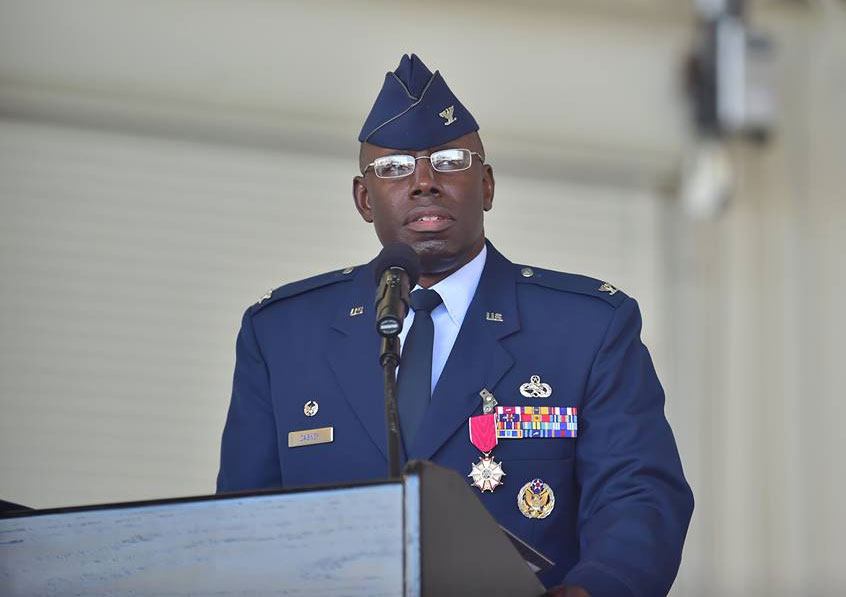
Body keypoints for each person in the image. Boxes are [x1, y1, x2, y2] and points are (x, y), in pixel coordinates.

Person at [217, 54, 693, 597]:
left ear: (486, 185)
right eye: (395, 168)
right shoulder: (282, 335)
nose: (424, 182)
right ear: (362, 199)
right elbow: (241, 527)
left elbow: (640, 497)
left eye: (449, 160)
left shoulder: (586, 329)